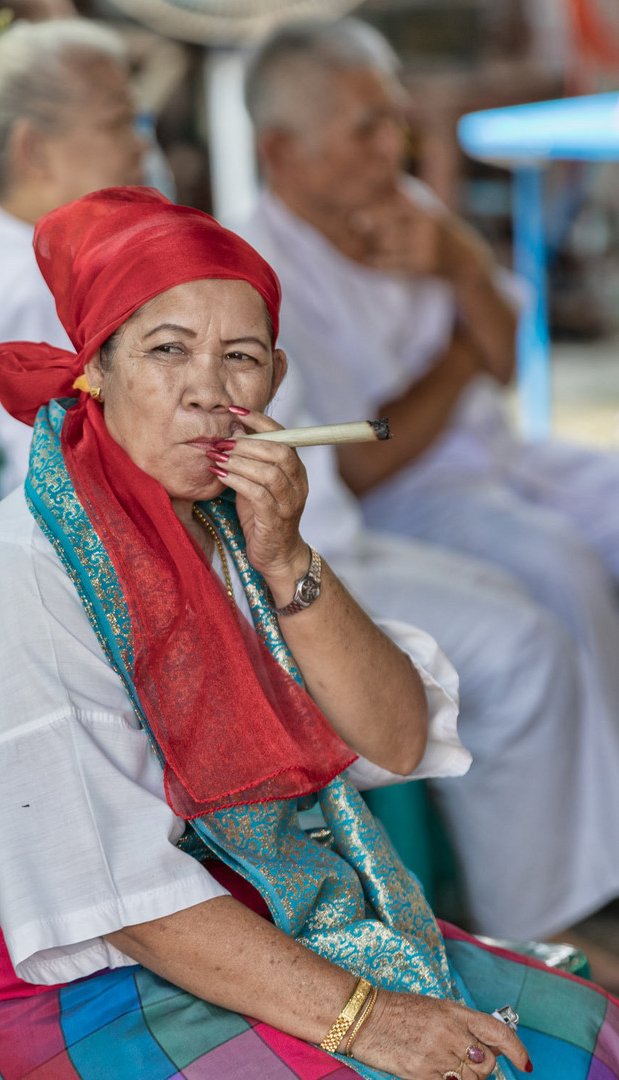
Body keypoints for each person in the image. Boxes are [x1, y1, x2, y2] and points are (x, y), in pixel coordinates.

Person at [0, 13, 612, 961]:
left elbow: (398, 737)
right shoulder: (34, 568)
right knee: (526, 624)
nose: (208, 390)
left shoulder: (230, 529)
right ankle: (539, 923)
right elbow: (121, 907)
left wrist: (286, 555)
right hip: (106, 981)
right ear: (92, 374)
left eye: (241, 361)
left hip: (247, 915)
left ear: (274, 382)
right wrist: (366, 1014)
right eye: (166, 352)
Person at [241, 15, 619, 954]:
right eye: (365, 128)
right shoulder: (264, 273)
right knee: (557, 574)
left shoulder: (406, 204)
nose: (394, 147)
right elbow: (364, 457)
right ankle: (563, 908)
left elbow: (500, 355)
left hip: (495, 455)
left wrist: (455, 261)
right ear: (280, 152)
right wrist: (458, 348)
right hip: (397, 501)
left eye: (395, 122)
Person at [0, 18, 145, 496]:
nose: (139, 144)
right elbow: (70, 471)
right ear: (34, 149)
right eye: (118, 122)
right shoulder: (34, 281)